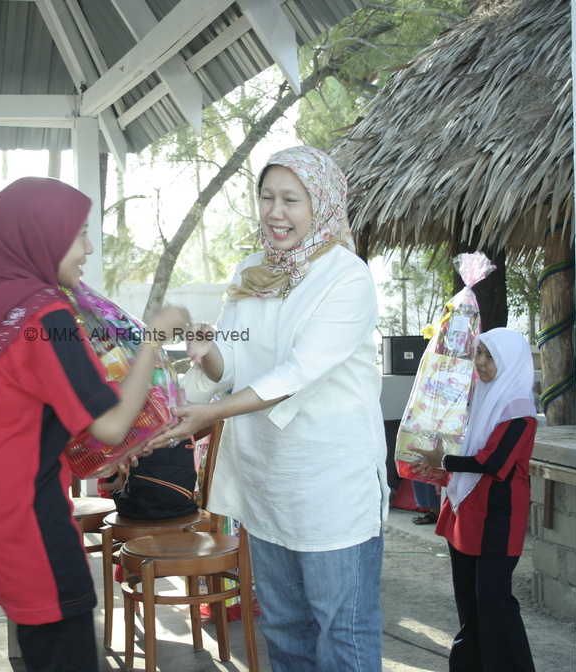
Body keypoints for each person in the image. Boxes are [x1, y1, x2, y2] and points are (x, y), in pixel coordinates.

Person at [0, 176, 189, 672]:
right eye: (79, 234)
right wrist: (154, 339)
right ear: (41, 236)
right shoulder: (44, 314)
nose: (88, 248)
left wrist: (113, 450)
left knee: (44, 651)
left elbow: (22, 419)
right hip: (27, 521)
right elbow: (111, 424)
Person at [151, 145, 389, 672]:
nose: (275, 212)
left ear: (321, 204)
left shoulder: (346, 277)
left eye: (291, 200)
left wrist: (210, 415)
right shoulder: (253, 269)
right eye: (266, 197)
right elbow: (233, 363)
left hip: (330, 484)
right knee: (283, 626)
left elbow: (297, 374)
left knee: (341, 630)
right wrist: (208, 350)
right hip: (268, 479)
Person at [411, 328, 537, 671]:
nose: (480, 362)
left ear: (510, 362)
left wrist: (443, 461)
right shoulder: (479, 399)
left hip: (498, 519)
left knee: (494, 602)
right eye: (478, 353)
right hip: (465, 512)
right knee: (469, 603)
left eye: (490, 356)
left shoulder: (520, 411)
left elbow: (493, 463)